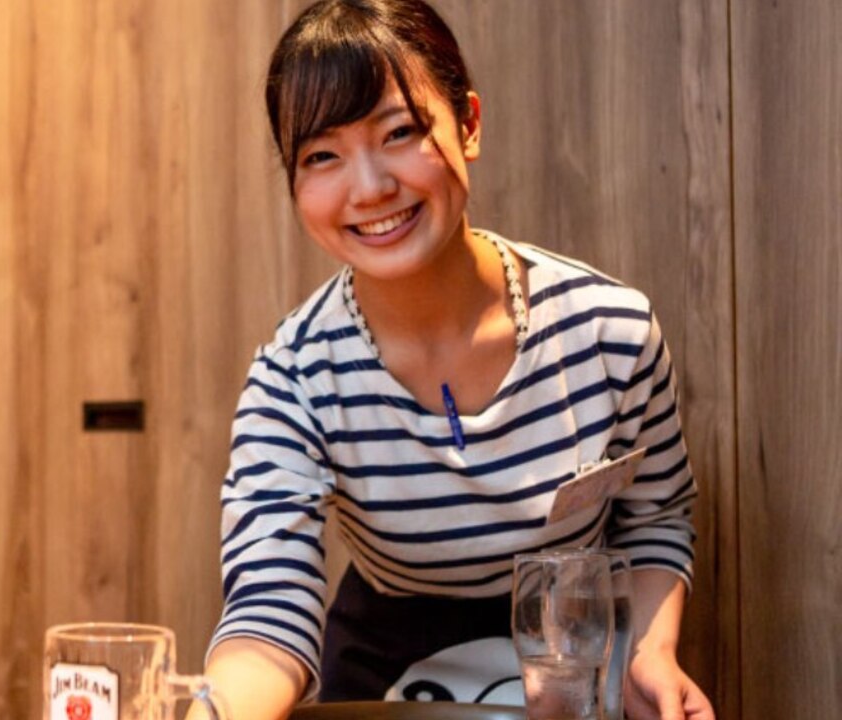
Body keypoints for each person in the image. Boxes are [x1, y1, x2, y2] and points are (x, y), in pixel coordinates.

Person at [194, 1, 716, 719]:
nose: (370, 187)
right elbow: (266, 612)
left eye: (400, 133)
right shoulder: (294, 378)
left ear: (467, 124)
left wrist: (652, 654)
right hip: (384, 680)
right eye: (322, 155)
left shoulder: (608, 331)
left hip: (573, 674)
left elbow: (657, 517)